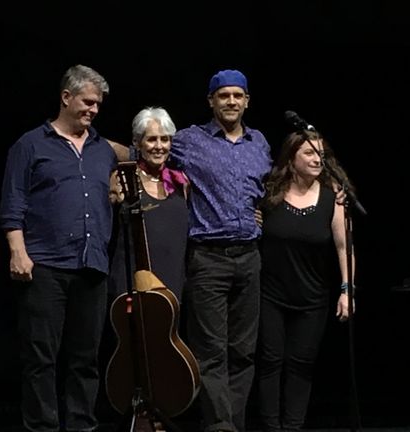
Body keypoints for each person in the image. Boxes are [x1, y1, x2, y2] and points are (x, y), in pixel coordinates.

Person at [0, 64, 117, 432]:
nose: (93, 110)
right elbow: (12, 203)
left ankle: (82, 425)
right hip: (45, 264)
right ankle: (43, 427)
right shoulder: (30, 145)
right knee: (41, 359)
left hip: (91, 265)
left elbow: (136, 159)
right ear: (66, 97)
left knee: (86, 360)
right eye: (88, 102)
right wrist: (17, 250)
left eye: (98, 104)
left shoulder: (103, 150)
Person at [169, 69, 272, 432]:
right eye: (224, 95)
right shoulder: (187, 141)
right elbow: (145, 147)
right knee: (211, 351)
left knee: (243, 352)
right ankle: (219, 426)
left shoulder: (259, 143)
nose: (231, 102)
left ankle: (234, 424)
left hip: (249, 257)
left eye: (237, 96)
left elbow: (272, 187)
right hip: (208, 258)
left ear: (247, 101)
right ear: (211, 101)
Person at [256, 129, 355, 432]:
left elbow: (344, 247)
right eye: (309, 153)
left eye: (320, 154)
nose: (317, 159)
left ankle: (293, 427)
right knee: (270, 362)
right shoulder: (270, 192)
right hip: (271, 294)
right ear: (292, 157)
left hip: (312, 298)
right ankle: (271, 427)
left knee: (301, 365)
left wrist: (346, 290)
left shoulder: (333, 196)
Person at [108, 106, 190, 301]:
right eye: (152, 139)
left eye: (165, 139)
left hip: (172, 281)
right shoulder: (123, 178)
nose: (159, 146)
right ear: (137, 143)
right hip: (131, 282)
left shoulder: (181, 182)